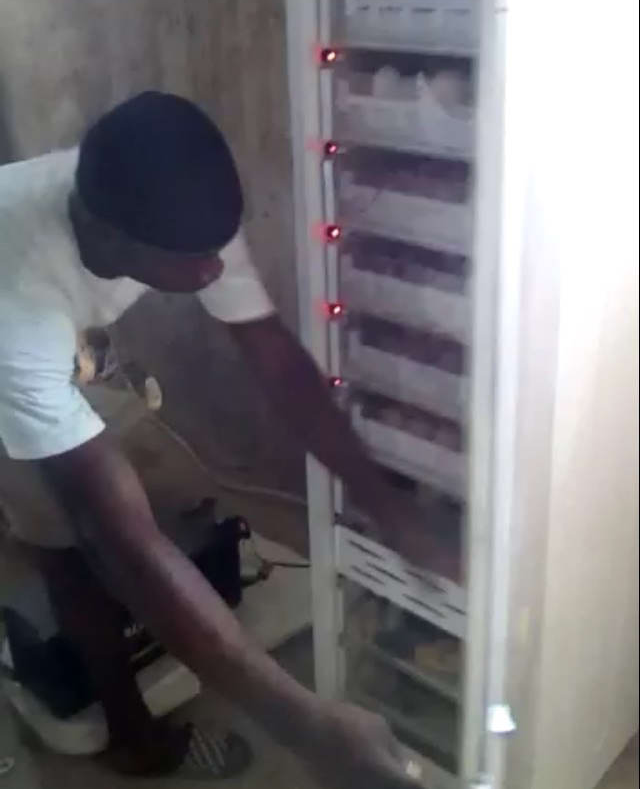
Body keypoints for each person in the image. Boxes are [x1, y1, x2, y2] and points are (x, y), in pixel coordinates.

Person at [0, 92, 455, 787]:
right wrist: (307, 727)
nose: (215, 270)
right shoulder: (20, 309)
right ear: (109, 239)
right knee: (69, 541)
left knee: (117, 513)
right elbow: (119, 541)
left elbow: (276, 362)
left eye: (219, 248)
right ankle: (133, 739)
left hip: (42, 332)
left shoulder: (175, 208)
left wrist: (389, 510)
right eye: (195, 261)